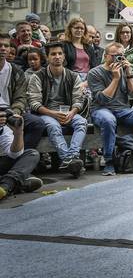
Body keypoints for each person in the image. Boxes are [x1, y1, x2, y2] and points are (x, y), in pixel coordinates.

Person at [88, 42, 133, 176]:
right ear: (106, 56)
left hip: (123, 109)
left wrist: (129, 73)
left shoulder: (124, 70)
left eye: (121, 56)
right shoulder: (95, 72)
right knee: (108, 120)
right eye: (115, 56)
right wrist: (115, 79)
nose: (119, 59)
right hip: (101, 109)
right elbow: (102, 99)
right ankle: (109, 161)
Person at [27, 42, 86, 177]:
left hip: (67, 112)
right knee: (53, 126)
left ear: (64, 56)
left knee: (81, 122)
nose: (57, 57)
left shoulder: (73, 76)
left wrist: (73, 112)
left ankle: (70, 158)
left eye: (60, 53)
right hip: (46, 113)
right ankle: (69, 160)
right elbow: (34, 103)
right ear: (47, 57)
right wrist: (52, 113)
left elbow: (78, 99)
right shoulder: (37, 76)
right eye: (53, 54)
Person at [0, 33, 46, 152]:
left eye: (6, 45)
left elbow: (20, 97)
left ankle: (21, 156)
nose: (3, 48)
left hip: (10, 111)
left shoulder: (16, 71)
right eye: (0, 45)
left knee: (38, 123)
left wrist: (15, 113)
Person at [0, 110, 43, 200]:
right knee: (29, 179)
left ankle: (6, 185)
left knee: (31, 154)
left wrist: (18, 132)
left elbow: (14, 154)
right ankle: (15, 184)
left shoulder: (3, 128)